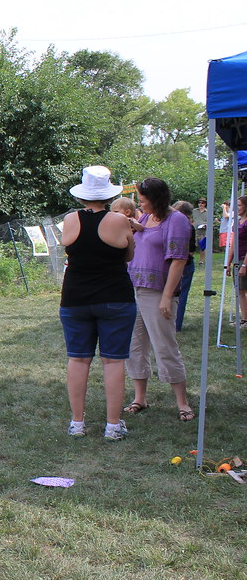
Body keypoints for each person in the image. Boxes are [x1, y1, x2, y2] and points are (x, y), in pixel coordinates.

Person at [60, 166, 137, 441]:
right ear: (108, 194)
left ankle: (77, 422)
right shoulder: (119, 220)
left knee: (78, 358)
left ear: (82, 194)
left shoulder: (70, 219)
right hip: (115, 297)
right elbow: (128, 255)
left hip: (75, 298)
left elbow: (71, 248)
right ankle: (113, 425)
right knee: (113, 360)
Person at [124, 178, 195, 421]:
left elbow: (179, 260)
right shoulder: (145, 217)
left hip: (157, 292)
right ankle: (140, 398)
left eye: (143, 200)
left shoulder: (176, 220)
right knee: (135, 346)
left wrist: (166, 296)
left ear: (157, 199)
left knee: (165, 346)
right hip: (134, 289)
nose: (140, 204)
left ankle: (182, 402)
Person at [172, 201, 196, 332]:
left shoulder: (186, 227)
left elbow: (191, 251)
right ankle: (175, 324)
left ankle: (176, 324)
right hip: (183, 264)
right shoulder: (188, 226)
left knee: (180, 295)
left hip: (184, 266)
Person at [224, 196, 247, 325]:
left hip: (244, 259)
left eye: (239, 205)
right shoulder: (237, 222)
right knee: (240, 289)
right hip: (238, 259)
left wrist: (245, 265)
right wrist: (228, 263)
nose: (237, 208)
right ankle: (244, 318)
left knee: (245, 289)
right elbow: (233, 243)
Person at [192, 198, 210, 265]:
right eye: (199, 203)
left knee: (202, 247)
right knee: (192, 245)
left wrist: (206, 225)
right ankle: (190, 259)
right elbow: (191, 219)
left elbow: (210, 222)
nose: (200, 204)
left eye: (202, 203)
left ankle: (201, 261)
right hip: (194, 230)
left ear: (205, 204)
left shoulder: (208, 212)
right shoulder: (194, 211)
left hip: (203, 232)